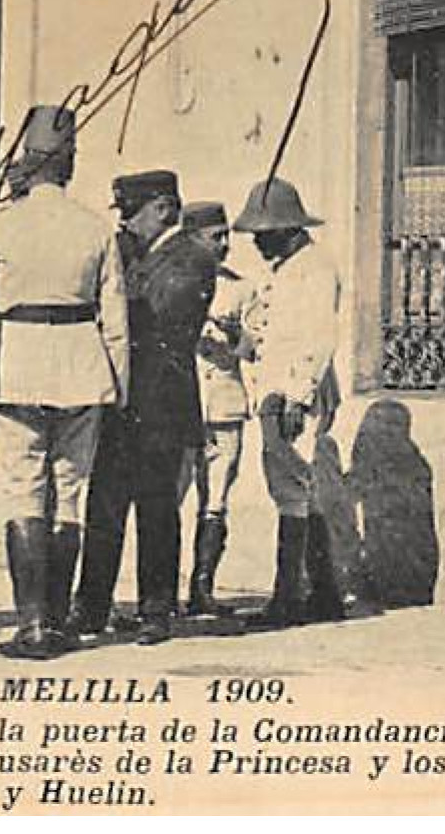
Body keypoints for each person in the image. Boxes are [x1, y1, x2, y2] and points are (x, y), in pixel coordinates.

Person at [0, 105, 130, 659]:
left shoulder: (0, 224)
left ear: (27, 165)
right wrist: (118, 385)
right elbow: (116, 318)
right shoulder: (95, 227)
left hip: (19, 365)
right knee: (70, 494)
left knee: (25, 490)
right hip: (84, 369)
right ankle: (57, 621)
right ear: (69, 164)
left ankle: (33, 623)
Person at [73, 170, 216, 646]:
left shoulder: (190, 256)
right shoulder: (144, 254)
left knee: (156, 508)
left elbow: (161, 314)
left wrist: (116, 277)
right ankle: (91, 606)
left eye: (131, 215)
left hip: (162, 404)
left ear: (161, 208)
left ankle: (157, 609)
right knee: (104, 505)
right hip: (123, 399)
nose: (126, 226)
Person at [233, 178, 342, 629]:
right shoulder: (282, 269)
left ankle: (287, 598)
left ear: (287, 228)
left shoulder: (315, 268)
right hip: (274, 388)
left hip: (293, 393)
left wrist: (299, 394)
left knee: (291, 490)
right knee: (298, 487)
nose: (257, 241)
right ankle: (324, 592)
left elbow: (319, 336)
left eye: (264, 232)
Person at [178, 201, 249, 617]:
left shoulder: (241, 288)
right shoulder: (172, 281)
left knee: (215, 500)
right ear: (192, 238)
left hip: (223, 405)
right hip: (181, 407)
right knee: (169, 498)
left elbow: (255, 347)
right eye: (215, 236)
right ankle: (161, 593)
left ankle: (202, 587)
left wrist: (233, 336)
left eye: (227, 235)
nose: (224, 244)